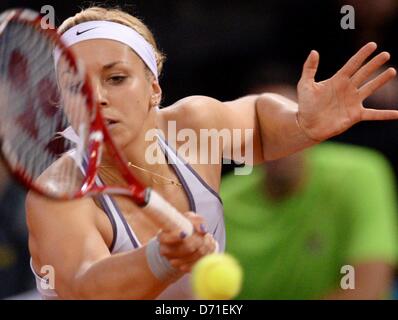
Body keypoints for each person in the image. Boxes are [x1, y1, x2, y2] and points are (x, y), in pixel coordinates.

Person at [25, 6, 398, 299]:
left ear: (154, 88)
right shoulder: (56, 194)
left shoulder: (193, 127)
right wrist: (161, 259)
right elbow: (85, 287)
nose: (98, 97)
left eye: (116, 78)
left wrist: (301, 123)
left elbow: (258, 121)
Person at [221, 143, 398, 299]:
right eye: (264, 129)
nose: (278, 141)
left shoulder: (360, 175)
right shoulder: (221, 201)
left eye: (288, 126)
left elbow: (366, 288)